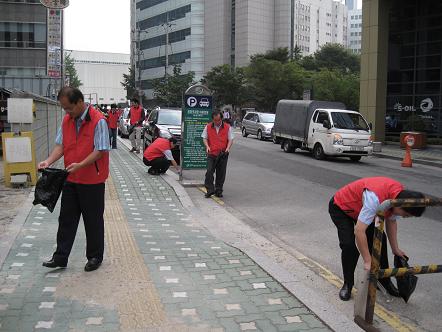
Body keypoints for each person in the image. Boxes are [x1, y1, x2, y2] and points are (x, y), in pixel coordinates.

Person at [38, 87, 110, 272]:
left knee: (92, 220)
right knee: (66, 219)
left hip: (92, 181)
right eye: (64, 109)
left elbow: (100, 150)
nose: (67, 112)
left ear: (79, 102)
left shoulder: (98, 120)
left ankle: (94, 257)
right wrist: (48, 161)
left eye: (69, 108)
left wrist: (80, 165)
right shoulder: (67, 120)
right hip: (71, 178)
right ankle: (60, 257)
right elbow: (61, 146)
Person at [329, 177, 426, 301]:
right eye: (406, 215)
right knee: (349, 246)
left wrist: (395, 249)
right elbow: (359, 231)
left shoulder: (399, 197)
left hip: (362, 210)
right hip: (343, 207)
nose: (405, 217)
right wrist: (367, 260)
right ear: (400, 206)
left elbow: (391, 222)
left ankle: (385, 282)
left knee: (380, 241)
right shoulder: (374, 199)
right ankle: (348, 284)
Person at [202, 110, 234, 198]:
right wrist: (207, 146)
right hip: (211, 153)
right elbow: (204, 138)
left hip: (223, 153)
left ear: (221, 119)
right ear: (212, 119)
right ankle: (210, 190)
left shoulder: (227, 127)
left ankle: (218, 190)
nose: (217, 122)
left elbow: (230, 139)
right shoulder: (208, 127)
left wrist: (228, 148)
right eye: (215, 120)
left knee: (221, 173)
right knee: (209, 171)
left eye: (218, 120)